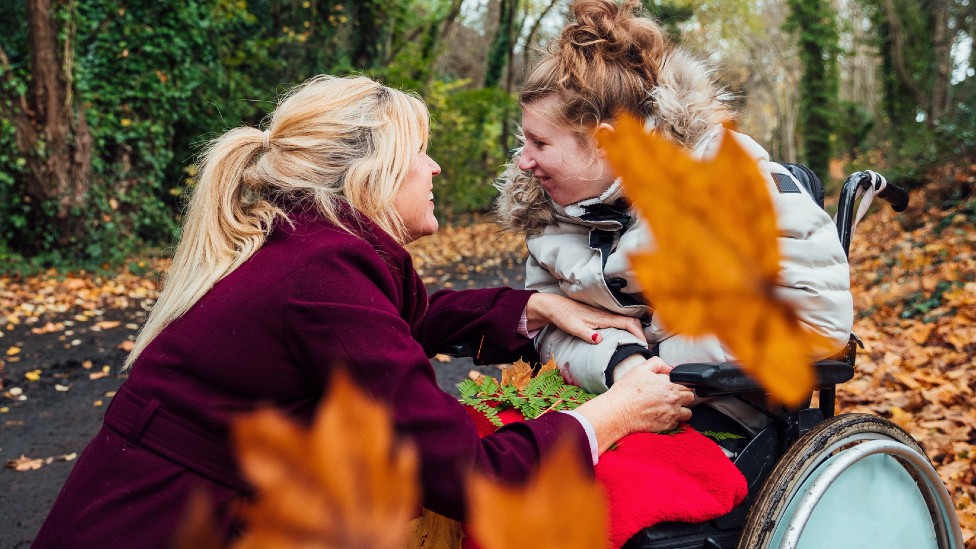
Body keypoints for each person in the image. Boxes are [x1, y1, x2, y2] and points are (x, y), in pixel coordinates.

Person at [32, 75, 695, 548]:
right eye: (420, 155)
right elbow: (470, 475)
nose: (435, 169)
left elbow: (400, 324)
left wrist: (535, 305)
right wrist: (614, 412)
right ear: (374, 174)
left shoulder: (308, 246)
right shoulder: (324, 270)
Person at [494, 0, 853, 432]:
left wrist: (662, 371)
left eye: (540, 143)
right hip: (605, 405)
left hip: (726, 415)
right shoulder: (547, 215)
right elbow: (553, 328)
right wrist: (619, 366)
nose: (524, 162)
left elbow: (815, 318)